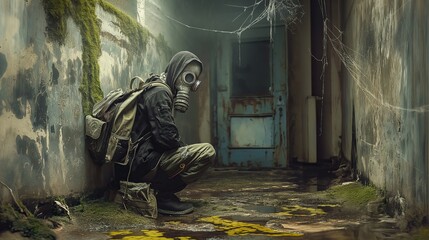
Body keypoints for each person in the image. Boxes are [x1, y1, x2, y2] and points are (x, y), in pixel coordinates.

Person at [115, 51, 216, 215]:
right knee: (206, 152)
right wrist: (184, 151)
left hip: (138, 162)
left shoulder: (158, 89)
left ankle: (161, 192)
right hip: (140, 164)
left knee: (186, 152)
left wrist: (181, 148)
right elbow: (166, 139)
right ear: (176, 69)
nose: (189, 83)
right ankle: (163, 196)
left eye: (193, 79)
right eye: (188, 75)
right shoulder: (159, 93)